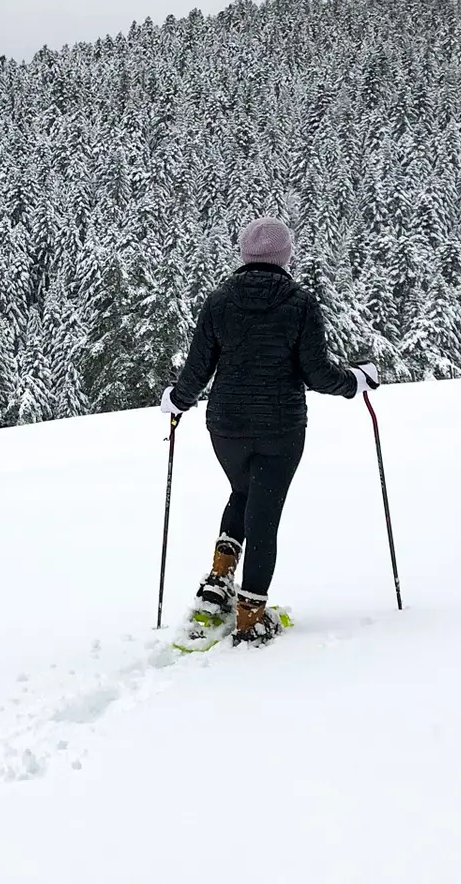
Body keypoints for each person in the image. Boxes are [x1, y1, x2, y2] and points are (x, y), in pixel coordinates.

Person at [159, 217, 379, 645]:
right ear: (285, 257)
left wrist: (177, 400)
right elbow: (317, 374)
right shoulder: (299, 303)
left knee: (243, 494)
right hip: (281, 430)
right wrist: (356, 382)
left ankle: (216, 587)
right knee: (264, 518)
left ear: (244, 253)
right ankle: (250, 616)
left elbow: (197, 371)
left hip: (226, 428)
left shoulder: (219, 301)